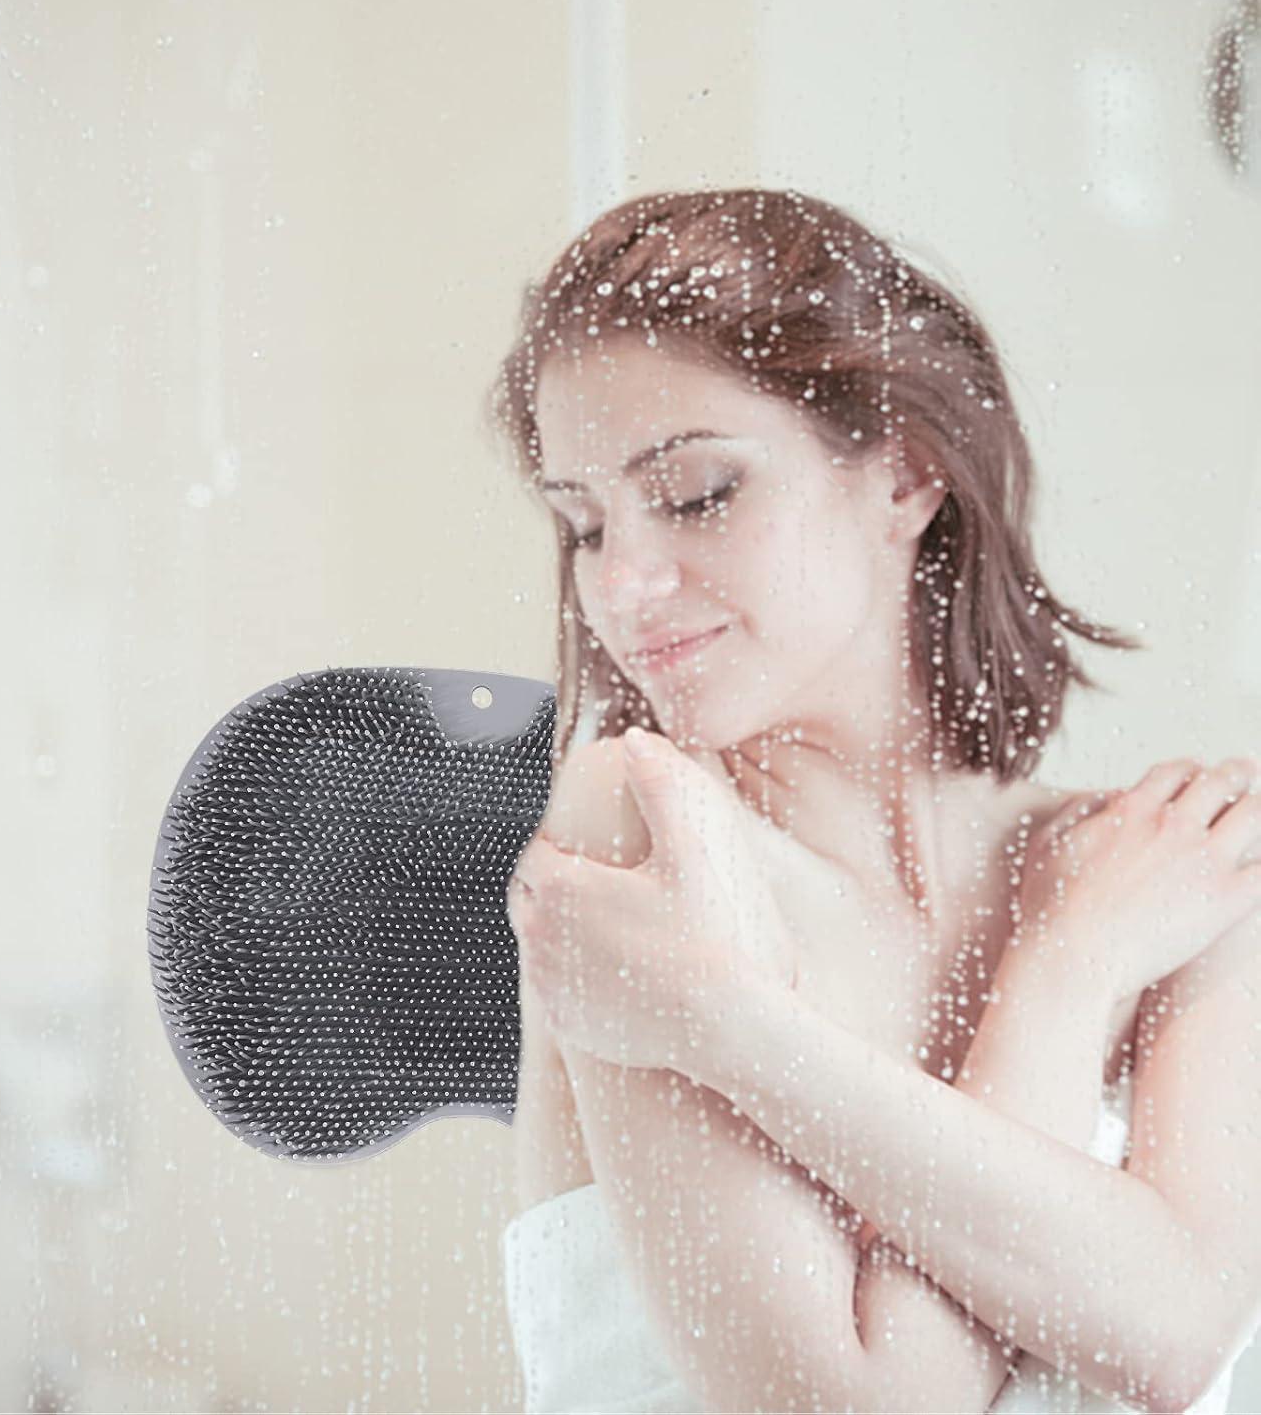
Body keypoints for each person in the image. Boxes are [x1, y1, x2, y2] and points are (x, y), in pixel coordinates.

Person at [486, 187, 1261, 1412]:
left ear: (903, 477)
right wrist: (1068, 974)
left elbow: (1179, 1342)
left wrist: (733, 1025)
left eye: (694, 496)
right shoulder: (642, 831)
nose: (624, 585)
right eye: (582, 523)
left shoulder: (1157, 868)